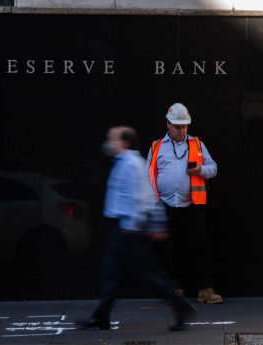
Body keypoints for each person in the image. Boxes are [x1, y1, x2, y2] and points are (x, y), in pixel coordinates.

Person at [76, 126, 197, 332]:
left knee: (143, 275)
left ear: (125, 143)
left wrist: (137, 226)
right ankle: (101, 316)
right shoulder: (126, 162)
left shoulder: (131, 164)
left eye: (112, 139)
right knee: (112, 273)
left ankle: (179, 304)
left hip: (127, 230)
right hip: (123, 228)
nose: (109, 143)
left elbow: (143, 197)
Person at [146, 103, 222, 304]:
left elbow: (213, 168)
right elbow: (148, 177)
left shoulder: (197, 144)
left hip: (191, 205)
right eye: (177, 126)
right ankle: (175, 291)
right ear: (168, 124)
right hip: (166, 206)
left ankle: (205, 289)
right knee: (171, 249)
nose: (182, 130)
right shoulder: (156, 147)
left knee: (199, 247)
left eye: (184, 126)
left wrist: (201, 171)